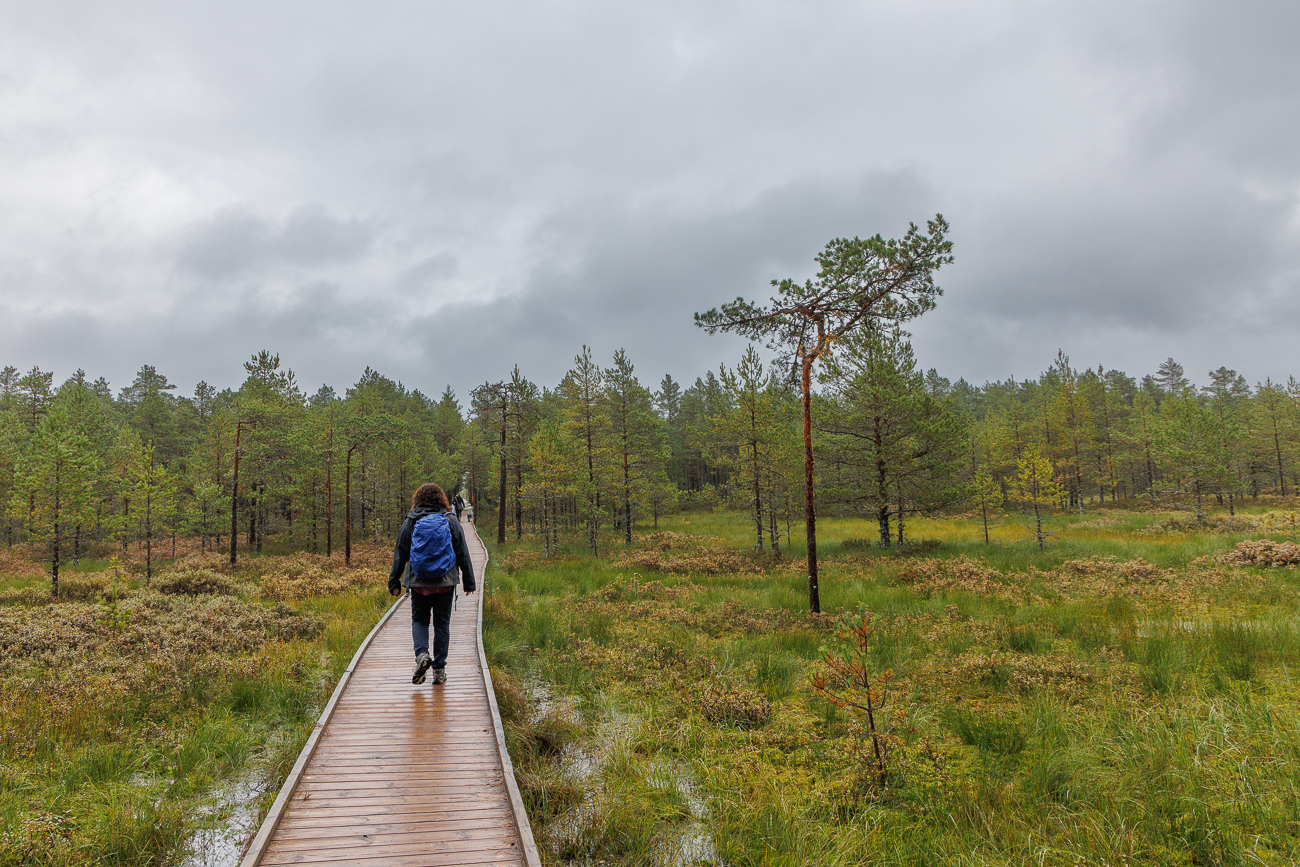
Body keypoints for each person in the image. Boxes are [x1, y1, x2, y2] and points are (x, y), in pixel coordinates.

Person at [388, 483, 476, 685]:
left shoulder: (411, 520)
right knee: (441, 624)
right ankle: (439, 671)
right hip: (445, 582)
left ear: (417, 499)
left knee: (419, 620)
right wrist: (469, 582)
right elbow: (462, 551)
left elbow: (400, 553)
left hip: (419, 582)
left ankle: (421, 654)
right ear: (441, 499)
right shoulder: (450, 520)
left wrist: (394, 581)